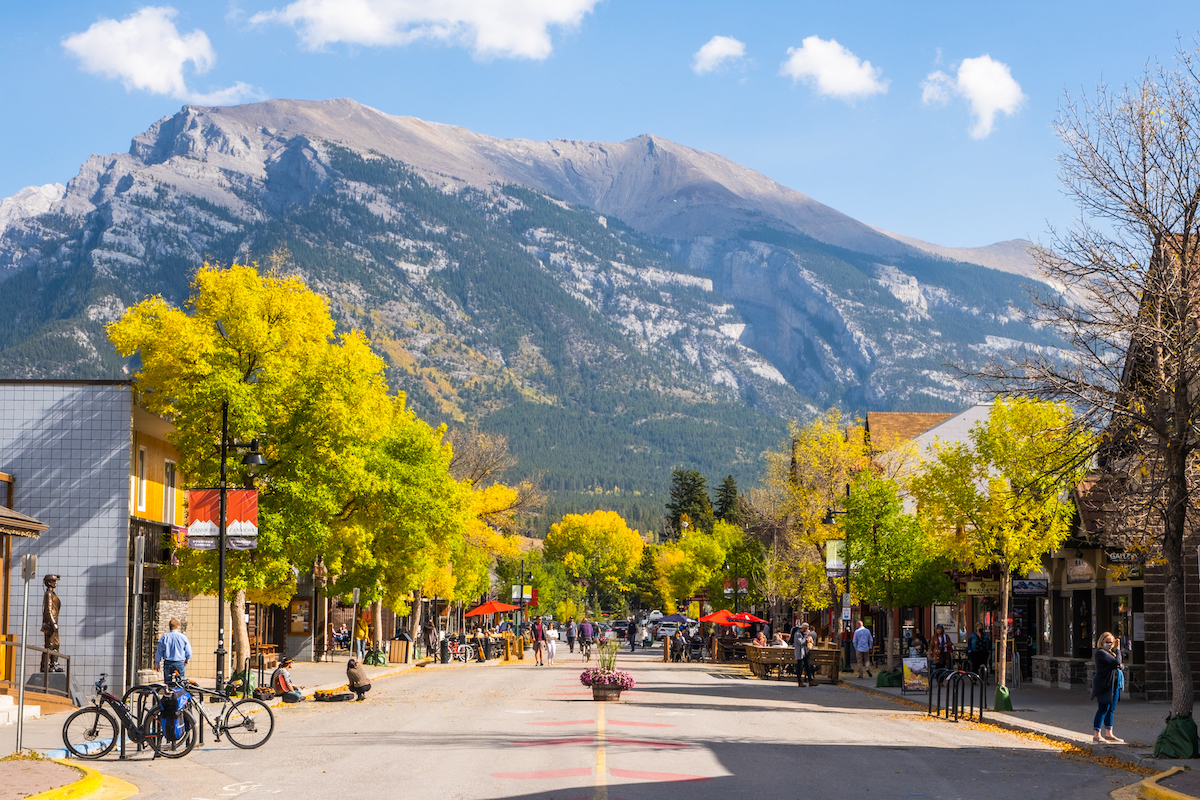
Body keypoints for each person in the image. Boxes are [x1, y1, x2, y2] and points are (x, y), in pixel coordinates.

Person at [1092, 631, 1123, 743]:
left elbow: (1119, 664)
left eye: (1111, 642)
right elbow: (1117, 662)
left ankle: (1109, 733)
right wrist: (1118, 650)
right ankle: (1097, 735)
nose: (1110, 644)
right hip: (1104, 684)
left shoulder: (1110, 653)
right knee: (1103, 708)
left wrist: (1117, 657)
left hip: (1114, 684)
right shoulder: (1100, 652)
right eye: (1107, 642)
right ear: (1102, 642)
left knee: (1111, 709)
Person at [154, 618, 192, 682]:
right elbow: (188, 651)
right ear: (178, 626)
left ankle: (169, 691)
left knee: (168, 683)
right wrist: (187, 659)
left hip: (168, 662)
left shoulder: (165, 637)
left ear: (170, 627)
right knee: (181, 682)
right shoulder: (183, 637)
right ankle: (181, 691)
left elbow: (159, 651)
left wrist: (157, 663)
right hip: (179, 662)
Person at [41, 574, 61, 672]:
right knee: (49, 645)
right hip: (50, 624)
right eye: (54, 581)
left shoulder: (53, 594)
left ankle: (54, 664)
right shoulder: (48, 594)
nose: (56, 583)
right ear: (49, 583)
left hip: (54, 623)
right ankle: (44, 666)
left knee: (56, 645)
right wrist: (53, 623)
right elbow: (48, 610)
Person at [792, 621, 816, 687]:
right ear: (804, 628)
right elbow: (800, 642)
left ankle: (810, 680)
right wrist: (805, 636)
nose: (807, 630)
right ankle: (799, 681)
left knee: (808, 666)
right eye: (806, 629)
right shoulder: (797, 634)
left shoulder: (805, 634)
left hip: (805, 652)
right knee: (799, 667)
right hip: (800, 652)